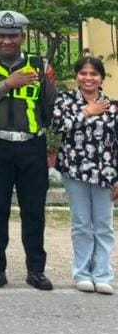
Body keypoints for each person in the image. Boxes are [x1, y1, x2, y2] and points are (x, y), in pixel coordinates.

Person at [0, 9, 59, 291]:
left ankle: (36, 270)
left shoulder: (39, 65)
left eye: (13, 35)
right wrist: (7, 84)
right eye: (2, 35)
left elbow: (51, 104)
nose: (7, 41)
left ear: (23, 36)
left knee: (34, 211)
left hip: (31, 146)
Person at [50, 55, 117, 294]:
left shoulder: (113, 107)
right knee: (81, 224)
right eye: (83, 73)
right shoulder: (65, 101)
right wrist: (86, 111)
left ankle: (102, 274)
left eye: (94, 74)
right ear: (77, 76)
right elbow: (57, 126)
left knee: (103, 225)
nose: (88, 78)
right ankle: (82, 273)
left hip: (105, 173)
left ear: (101, 78)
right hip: (74, 170)